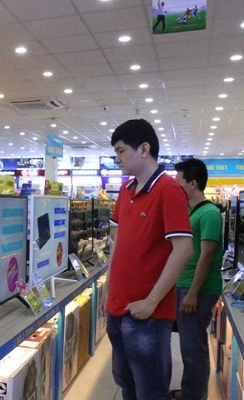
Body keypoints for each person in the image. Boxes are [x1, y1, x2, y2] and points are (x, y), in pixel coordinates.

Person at [104, 119, 193, 400]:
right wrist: (108, 285)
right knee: (125, 382)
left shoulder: (169, 190)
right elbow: (118, 242)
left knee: (150, 390)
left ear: (144, 149)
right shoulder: (126, 190)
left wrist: (152, 301)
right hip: (117, 308)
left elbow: (183, 249)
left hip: (148, 314)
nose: (117, 158)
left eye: (121, 151)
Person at [173, 158, 223, 400]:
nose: (176, 186)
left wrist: (192, 293)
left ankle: (194, 396)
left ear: (192, 183)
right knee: (189, 345)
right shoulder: (191, 211)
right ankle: (190, 391)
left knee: (194, 348)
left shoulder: (210, 214)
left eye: (179, 181)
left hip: (197, 289)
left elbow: (206, 256)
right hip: (185, 285)